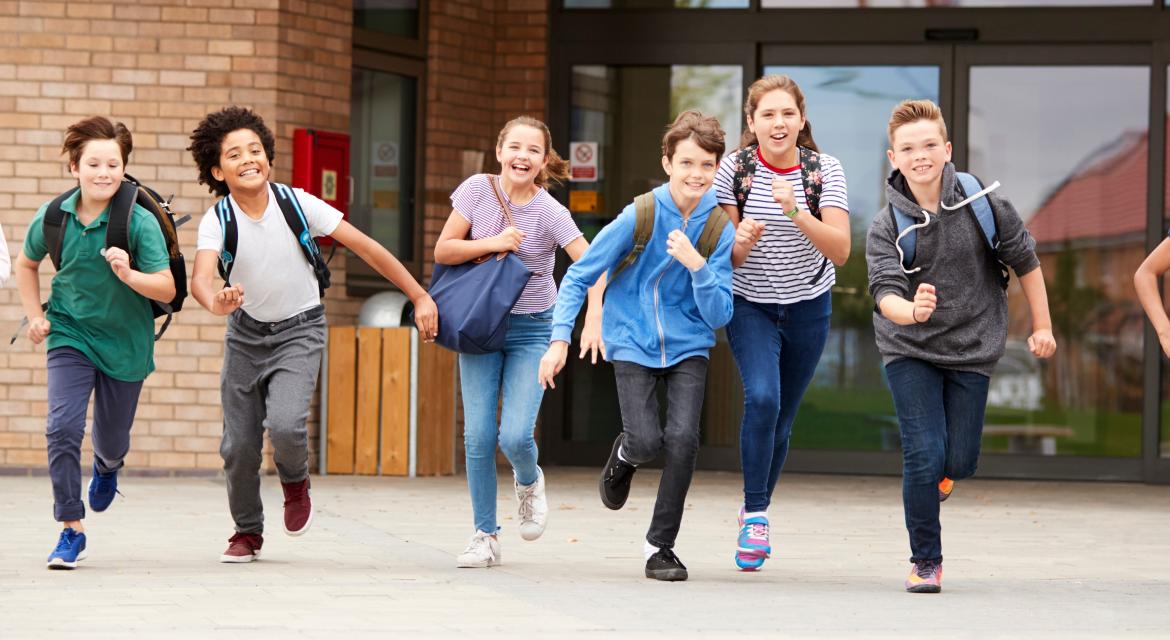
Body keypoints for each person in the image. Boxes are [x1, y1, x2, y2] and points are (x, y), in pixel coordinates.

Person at [188, 106, 438, 563]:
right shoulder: (217, 220)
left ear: (268, 157)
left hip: (300, 329)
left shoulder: (298, 203)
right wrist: (216, 300)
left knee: (284, 424)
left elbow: (368, 248)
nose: (248, 159)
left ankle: (295, 481)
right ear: (217, 170)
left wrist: (419, 295)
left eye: (255, 150)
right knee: (238, 446)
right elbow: (201, 279)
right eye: (234, 154)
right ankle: (247, 531)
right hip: (245, 336)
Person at [866, 99, 1056, 593]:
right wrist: (914, 312)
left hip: (974, 345)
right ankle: (925, 561)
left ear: (947, 149)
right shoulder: (886, 226)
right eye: (908, 148)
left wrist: (1043, 326)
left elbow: (1026, 262)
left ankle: (946, 478)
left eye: (930, 145)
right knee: (923, 454)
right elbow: (885, 294)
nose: (920, 155)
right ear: (894, 157)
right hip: (909, 347)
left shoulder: (984, 204)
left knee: (961, 459)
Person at [539, 110, 735, 581]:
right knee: (647, 440)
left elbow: (720, 313)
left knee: (684, 441)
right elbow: (579, 275)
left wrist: (698, 267)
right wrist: (560, 338)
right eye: (687, 163)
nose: (696, 175)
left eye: (707, 166)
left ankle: (660, 546)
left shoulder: (718, 229)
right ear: (667, 162)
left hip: (689, 345)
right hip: (630, 338)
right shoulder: (641, 213)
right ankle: (625, 456)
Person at [434, 115, 604, 568]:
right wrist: (492, 243)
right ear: (499, 151)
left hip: (533, 328)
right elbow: (444, 250)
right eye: (515, 147)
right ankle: (484, 535)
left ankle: (528, 482)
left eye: (533, 150)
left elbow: (591, 268)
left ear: (543, 160)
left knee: (513, 435)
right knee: (477, 435)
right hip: (480, 323)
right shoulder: (475, 190)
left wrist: (592, 321)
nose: (522, 156)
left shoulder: (551, 212)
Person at [14, 116, 175, 569]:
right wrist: (36, 317)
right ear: (74, 167)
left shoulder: (138, 222)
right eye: (94, 163)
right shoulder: (53, 216)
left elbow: (165, 288)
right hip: (70, 333)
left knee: (111, 439)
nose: (103, 172)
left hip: (126, 342)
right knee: (62, 427)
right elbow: (26, 265)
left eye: (113, 163)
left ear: (124, 168)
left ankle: (107, 468)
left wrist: (129, 273)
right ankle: (70, 527)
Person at [713, 74, 851, 571]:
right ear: (751, 122)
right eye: (767, 114)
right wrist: (742, 242)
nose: (778, 123)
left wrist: (795, 211)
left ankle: (755, 509)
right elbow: (723, 257)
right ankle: (756, 514)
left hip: (809, 305)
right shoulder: (734, 169)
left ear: (801, 118)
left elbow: (841, 249)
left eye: (787, 113)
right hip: (751, 304)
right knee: (764, 398)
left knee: (785, 418)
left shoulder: (824, 170)